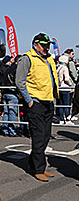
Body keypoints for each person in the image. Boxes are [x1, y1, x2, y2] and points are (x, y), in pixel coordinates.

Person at [15, 33, 59, 182]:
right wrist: (29, 101)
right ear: (35, 45)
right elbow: (19, 82)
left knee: (46, 136)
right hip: (36, 103)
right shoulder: (27, 59)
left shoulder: (48, 59)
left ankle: (36, 165)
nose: (46, 48)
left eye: (48, 45)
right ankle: (38, 169)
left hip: (48, 102)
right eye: (43, 45)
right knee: (39, 137)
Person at [0, 56, 20, 136]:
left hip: (5, 91)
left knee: (6, 112)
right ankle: (12, 130)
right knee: (12, 112)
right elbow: (17, 80)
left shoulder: (7, 68)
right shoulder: (16, 68)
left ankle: (5, 129)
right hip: (12, 92)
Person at [56, 55, 73, 124]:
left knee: (60, 105)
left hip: (59, 88)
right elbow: (66, 78)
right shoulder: (65, 68)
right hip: (65, 88)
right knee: (66, 105)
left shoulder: (58, 67)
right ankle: (68, 119)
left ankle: (61, 119)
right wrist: (70, 84)